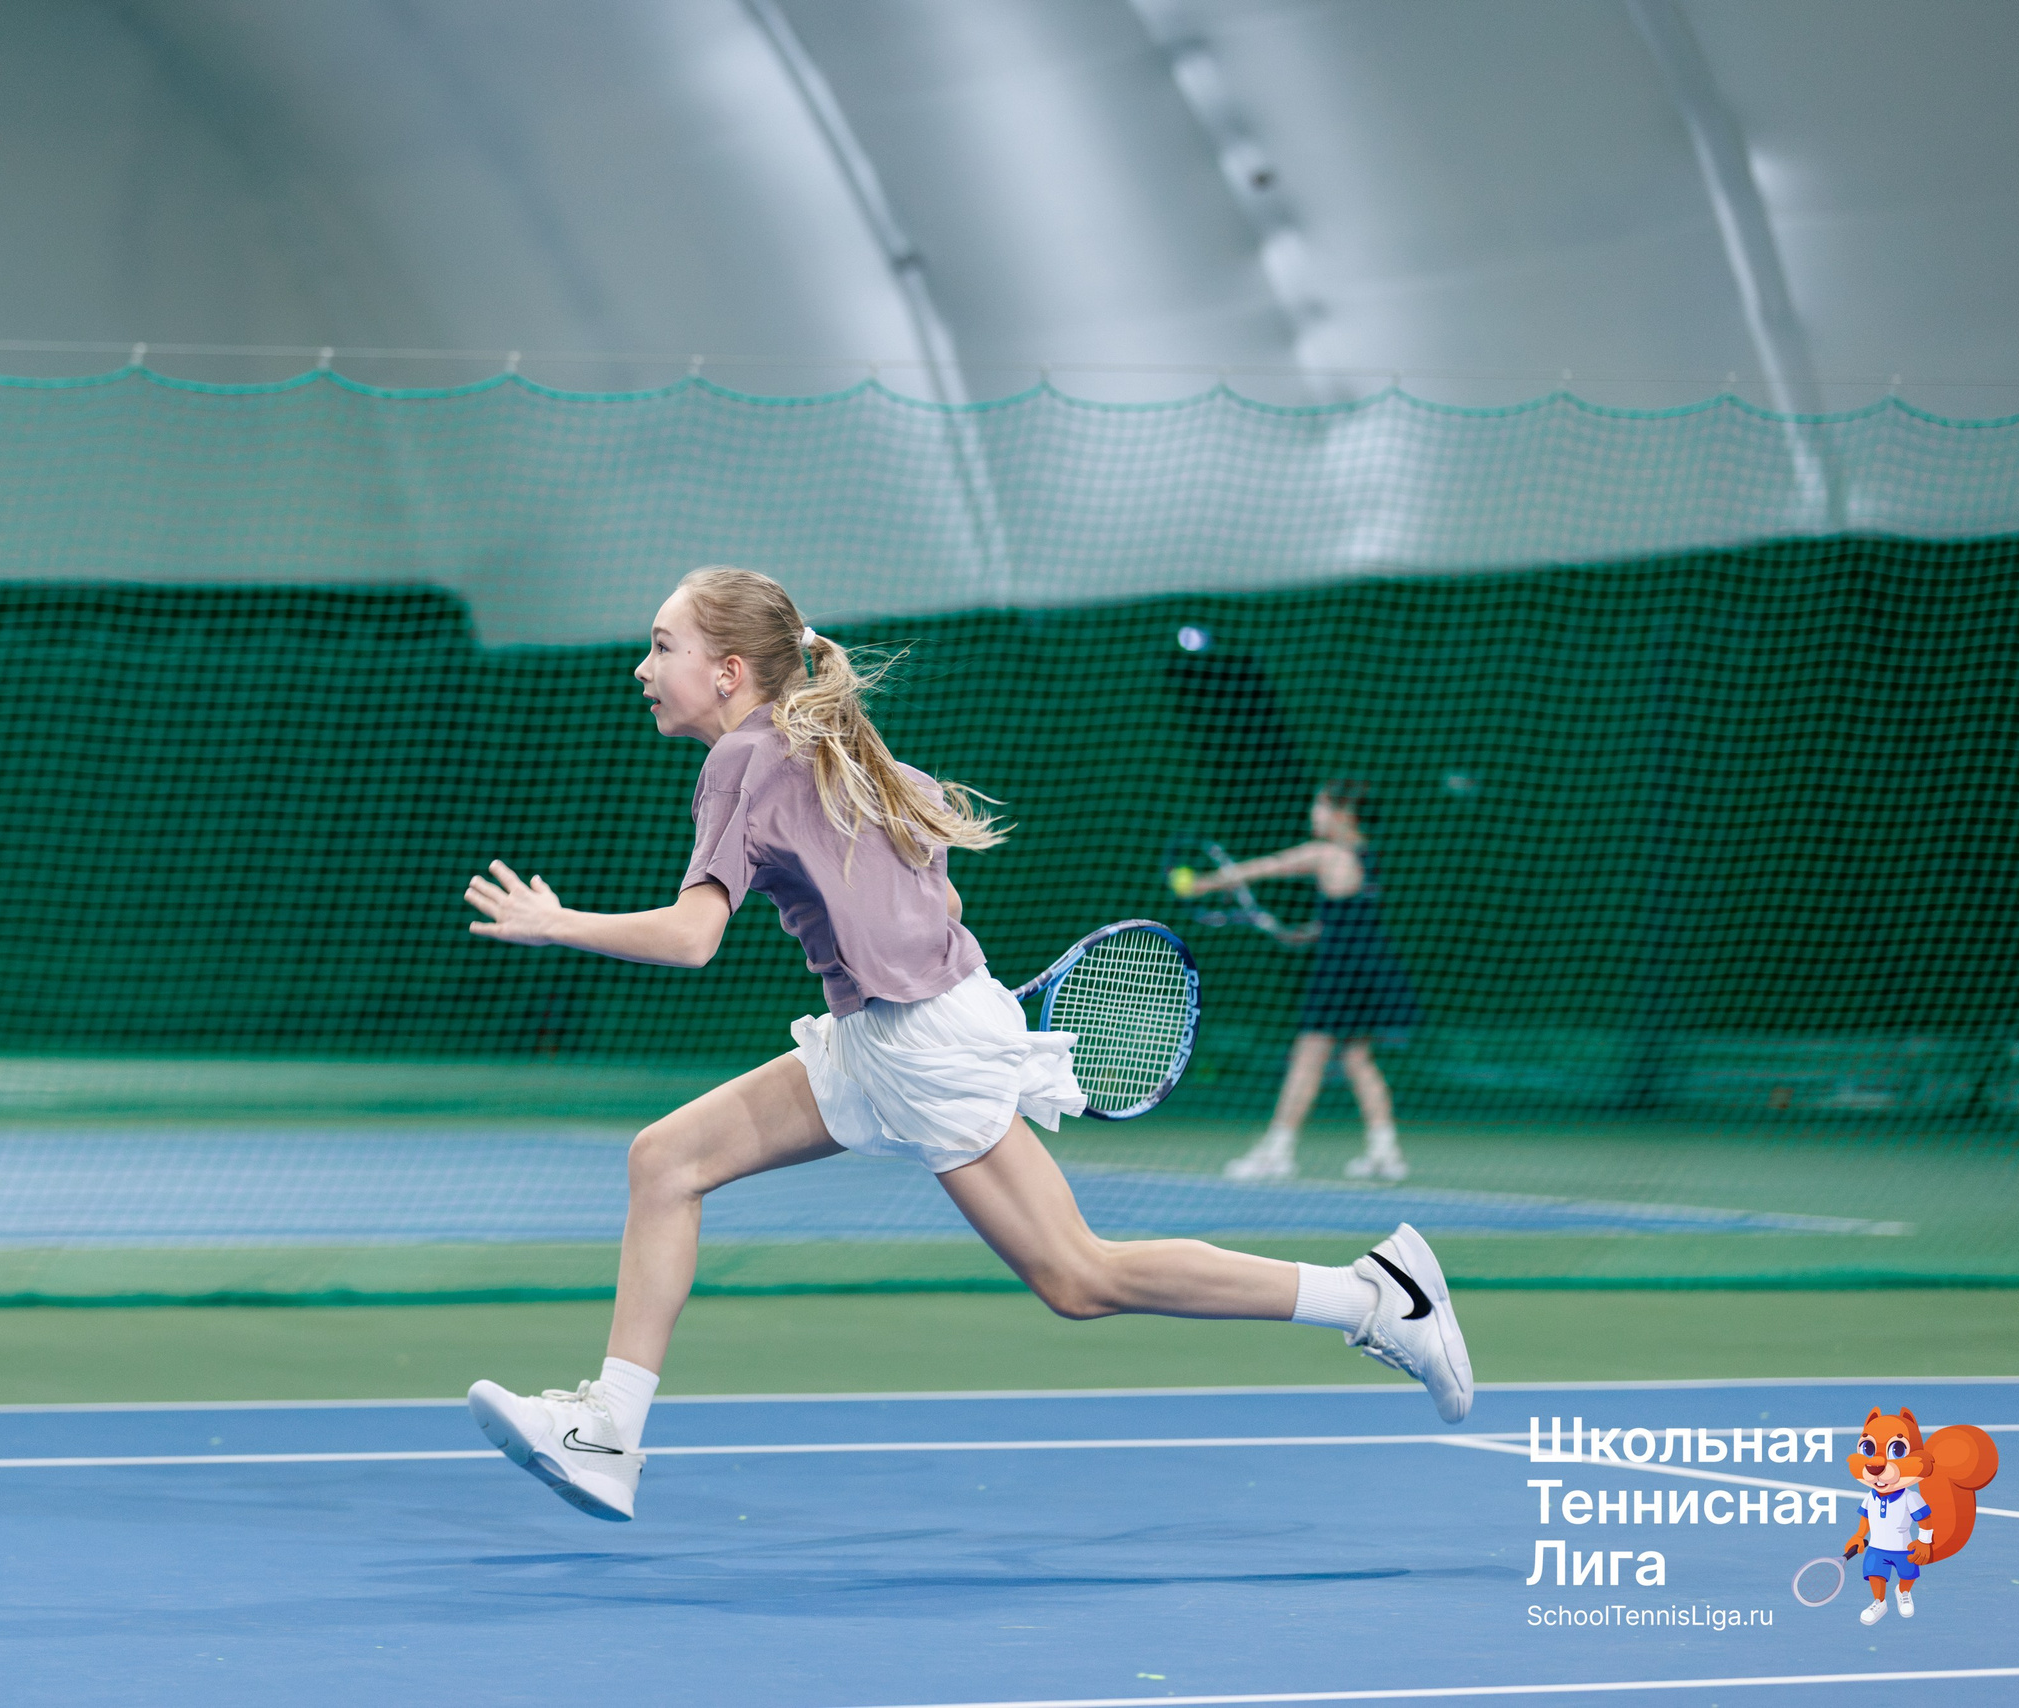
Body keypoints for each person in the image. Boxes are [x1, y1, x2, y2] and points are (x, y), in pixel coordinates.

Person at [459, 569, 1470, 1522]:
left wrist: (559, 924)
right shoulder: (834, 744)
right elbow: (939, 869)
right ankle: (608, 1429)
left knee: (1081, 1277)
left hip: (920, 1043)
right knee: (666, 1159)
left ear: (727, 670)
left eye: (660, 644)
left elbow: (692, 937)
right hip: (888, 1032)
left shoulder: (741, 760)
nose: (642, 667)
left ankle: (1377, 1296)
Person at [1181, 782, 1419, 1183]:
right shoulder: (1367, 858)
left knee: (1307, 1057)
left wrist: (1206, 882)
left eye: (1321, 806)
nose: (1314, 813)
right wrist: (1310, 931)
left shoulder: (1327, 853)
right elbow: (1349, 919)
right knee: (1358, 1059)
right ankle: (1385, 1152)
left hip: (1341, 972)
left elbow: (1270, 865)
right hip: (1370, 966)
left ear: (1343, 814)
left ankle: (1278, 1151)